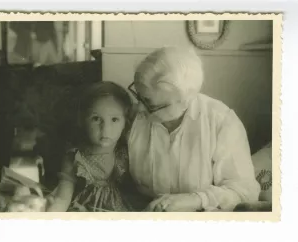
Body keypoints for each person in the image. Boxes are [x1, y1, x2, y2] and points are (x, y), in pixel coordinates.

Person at [127, 46, 261, 212]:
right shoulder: (129, 117)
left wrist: (196, 200)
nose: (139, 109)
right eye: (138, 96)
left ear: (186, 100)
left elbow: (245, 192)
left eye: (149, 104)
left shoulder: (221, 121)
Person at [46, 81, 134, 212]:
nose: (105, 129)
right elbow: (62, 198)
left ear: (125, 123)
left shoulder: (126, 154)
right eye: (96, 119)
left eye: (114, 119)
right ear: (82, 120)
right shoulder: (76, 158)